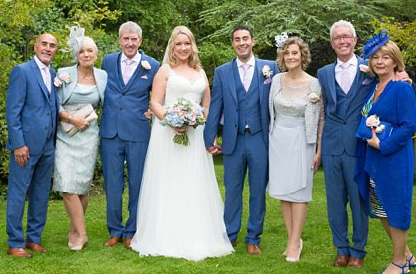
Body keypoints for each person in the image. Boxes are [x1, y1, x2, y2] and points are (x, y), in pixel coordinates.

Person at [131, 26, 234, 261]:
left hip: (194, 135)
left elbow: (208, 104)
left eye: (187, 43)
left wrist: (197, 120)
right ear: (172, 47)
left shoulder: (200, 72)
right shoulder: (164, 70)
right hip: (167, 135)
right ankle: (165, 235)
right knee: (169, 180)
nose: (183, 48)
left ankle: (197, 234)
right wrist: (171, 120)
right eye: (178, 44)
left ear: (192, 45)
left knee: (192, 180)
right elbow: (155, 102)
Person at [317, 20, 410, 268]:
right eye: (337, 38)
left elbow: (393, 84)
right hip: (332, 145)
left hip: (360, 146)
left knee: (359, 200)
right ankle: (341, 249)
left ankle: (358, 251)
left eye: (347, 36)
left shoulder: (370, 68)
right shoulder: (324, 73)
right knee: (335, 200)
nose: (343, 41)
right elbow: (324, 111)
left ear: (355, 41)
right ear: (332, 43)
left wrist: (404, 77)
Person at [204, 25, 279, 254]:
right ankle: (230, 234)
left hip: (259, 138)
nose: (241, 42)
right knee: (233, 189)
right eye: (237, 39)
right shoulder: (222, 72)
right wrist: (209, 137)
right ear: (233, 44)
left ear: (253, 41)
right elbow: (216, 105)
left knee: (257, 190)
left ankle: (253, 238)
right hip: (233, 140)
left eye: (245, 38)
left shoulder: (270, 68)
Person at [354, 33, 416, 274]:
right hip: (374, 159)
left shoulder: (401, 88)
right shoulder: (375, 87)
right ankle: (407, 255)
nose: (379, 62)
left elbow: (409, 126)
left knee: (395, 208)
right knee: (381, 209)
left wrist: (384, 145)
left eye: (385, 57)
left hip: (394, 159)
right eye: (375, 58)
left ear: (395, 61)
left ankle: (399, 263)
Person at [99, 21, 160, 249]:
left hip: (138, 132)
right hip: (110, 132)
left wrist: (153, 111)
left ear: (140, 41)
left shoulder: (152, 65)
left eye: (134, 39)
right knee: (113, 184)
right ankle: (114, 230)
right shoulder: (107, 61)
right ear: (120, 40)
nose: (130, 43)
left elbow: (161, 95)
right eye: (126, 39)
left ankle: (132, 230)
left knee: (137, 183)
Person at [267, 36, 324, 262]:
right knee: (284, 191)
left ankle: (294, 242)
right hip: (278, 138)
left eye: (295, 53)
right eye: (287, 53)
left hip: (303, 140)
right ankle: (293, 239)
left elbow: (320, 119)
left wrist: (319, 150)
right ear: (282, 56)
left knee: (299, 192)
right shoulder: (276, 80)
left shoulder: (314, 84)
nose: (291, 57)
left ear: (302, 56)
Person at [52, 27, 107, 251]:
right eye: (82, 51)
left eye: (90, 51)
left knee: (82, 185)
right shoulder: (63, 73)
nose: (86, 54)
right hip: (66, 131)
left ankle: (75, 230)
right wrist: (71, 118)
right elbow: (53, 102)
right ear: (77, 55)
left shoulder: (103, 76)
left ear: (96, 54)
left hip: (89, 134)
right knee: (66, 184)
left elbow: (109, 102)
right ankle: (82, 234)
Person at [5, 33, 59, 258]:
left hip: (48, 145)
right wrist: (18, 144)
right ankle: (14, 241)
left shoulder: (54, 74)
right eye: (44, 44)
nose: (48, 48)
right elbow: (12, 110)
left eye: (52, 46)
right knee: (18, 193)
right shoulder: (22, 71)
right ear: (35, 46)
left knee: (40, 193)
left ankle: (33, 238)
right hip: (26, 145)